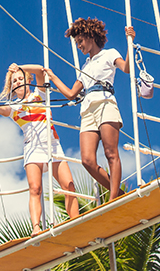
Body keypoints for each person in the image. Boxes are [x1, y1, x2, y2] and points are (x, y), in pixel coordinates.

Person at [0, 63, 79, 235]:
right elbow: (2, 109)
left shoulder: (40, 94)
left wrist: (19, 67)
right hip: (32, 148)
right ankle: (36, 227)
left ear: (28, 80)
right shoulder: (14, 107)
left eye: (21, 79)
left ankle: (75, 221)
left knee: (69, 185)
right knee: (35, 188)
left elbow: (40, 69)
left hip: (53, 145)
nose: (18, 82)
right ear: (11, 87)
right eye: (15, 81)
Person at [43, 18, 131, 201]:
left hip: (105, 103)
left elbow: (127, 68)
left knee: (110, 153)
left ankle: (113, 198)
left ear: (90, 36)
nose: (79, 46)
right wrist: (52, 77)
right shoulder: (84, 67)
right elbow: (71, 94)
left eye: (80, 41)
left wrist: (130, 42)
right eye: (76, 43)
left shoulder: (109, 54)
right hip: (87, 110)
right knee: (87, 160)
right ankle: (120, 194)